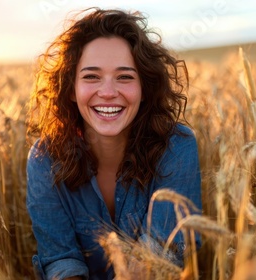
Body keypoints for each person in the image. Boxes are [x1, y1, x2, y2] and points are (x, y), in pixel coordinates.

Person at [26, 8, 202, 280]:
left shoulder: (176, 147)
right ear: (71, 89)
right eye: (91, 77)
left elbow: (159, 256)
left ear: (145, 88)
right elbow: (62, 262)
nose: (108, 92)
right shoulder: (44, 158)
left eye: (124, 77)